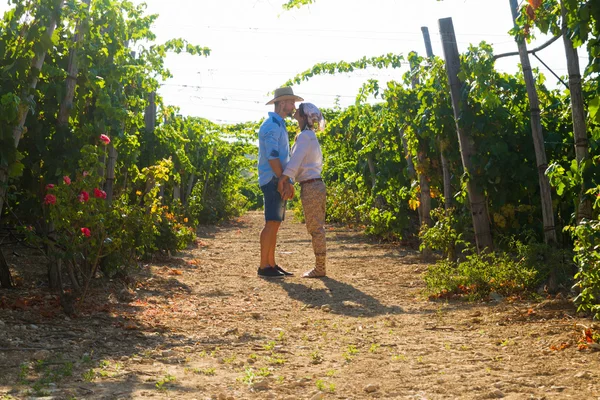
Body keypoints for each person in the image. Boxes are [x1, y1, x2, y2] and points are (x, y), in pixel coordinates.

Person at [257, 87, 303, 278]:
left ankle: (271, 263)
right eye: (291, 102)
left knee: (275, 223)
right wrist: (282, 181)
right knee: (271, 222)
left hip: (277, 178)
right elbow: (272, 156)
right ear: (282, 103)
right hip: (273, 179)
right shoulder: (271, 126)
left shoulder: (279, 125)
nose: (294, 106)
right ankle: (263, 266)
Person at [278, 103, 327, 278]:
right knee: (316, 226)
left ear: (304, 116)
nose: (295, 110)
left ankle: (320, 268)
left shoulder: (305, 137)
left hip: (311, 186)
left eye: (299, 109)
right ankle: (320, 266)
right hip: (315, 185)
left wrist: (284, 179)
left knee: (315, 227)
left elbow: (295, 161)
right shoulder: (309, 136)